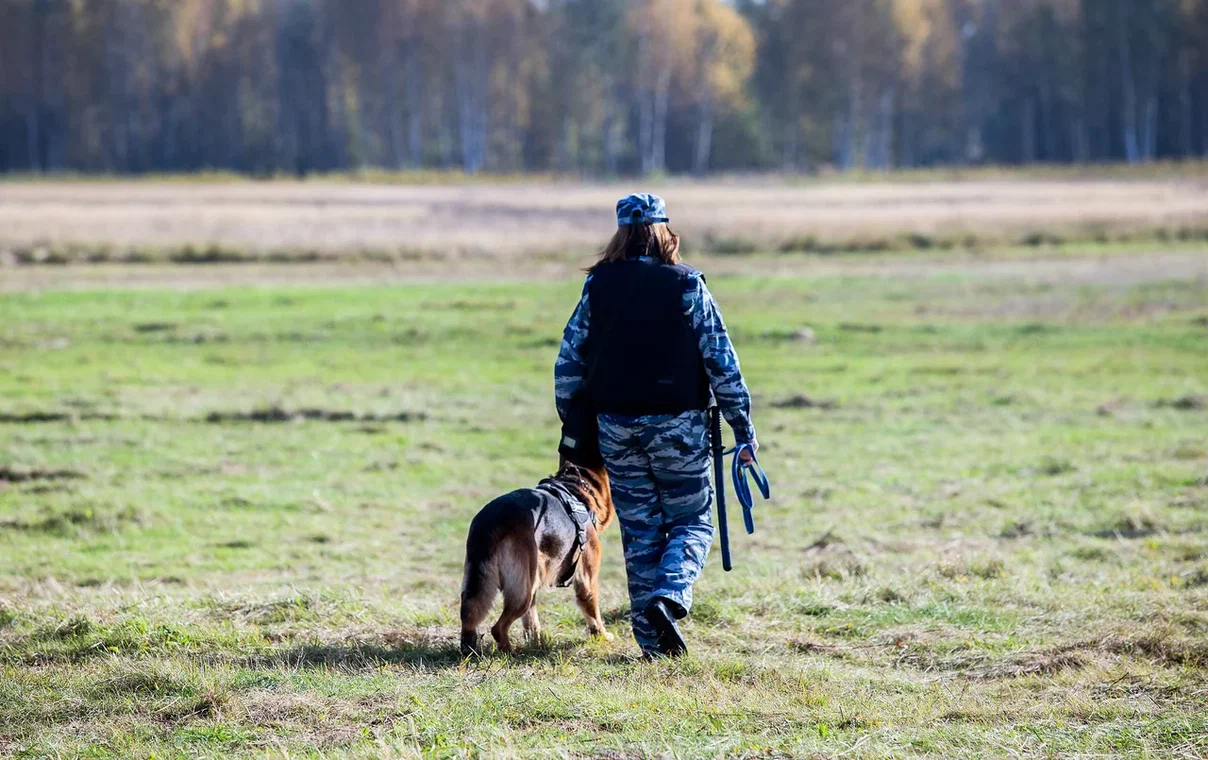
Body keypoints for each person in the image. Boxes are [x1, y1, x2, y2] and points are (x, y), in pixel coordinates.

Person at [554, 193, 757, 658]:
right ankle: (670, 595)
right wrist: (743, 427)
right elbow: (721, 360)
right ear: (665, 230)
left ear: (621, 232)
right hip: (679, 427)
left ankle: (653, 646)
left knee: (641, 533)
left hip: (615, 428)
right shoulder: (687, 285)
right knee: (692, 520)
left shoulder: (598, 286)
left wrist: (576, 426)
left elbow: (568, 362)